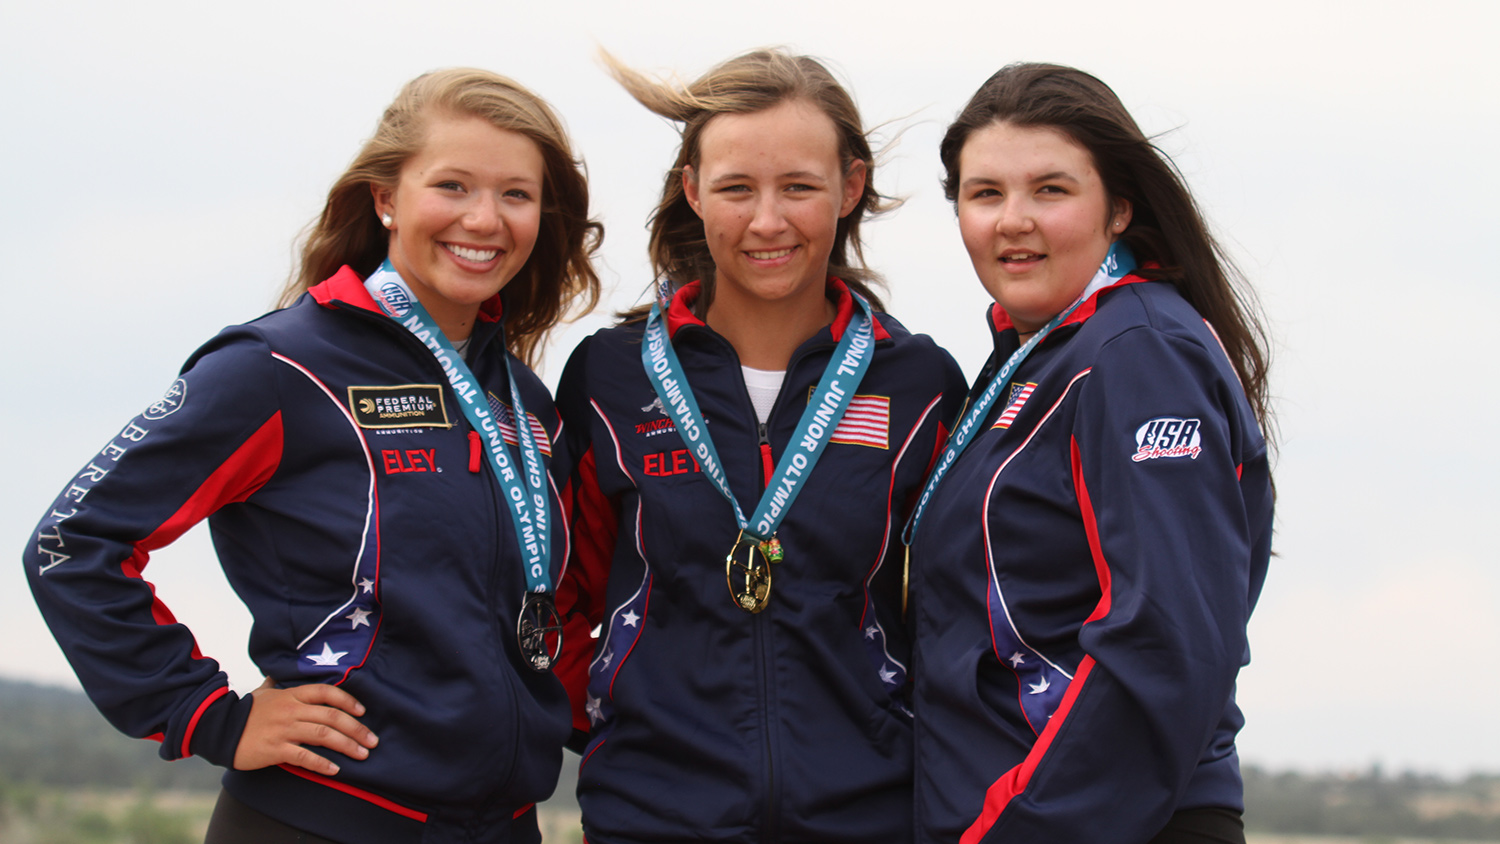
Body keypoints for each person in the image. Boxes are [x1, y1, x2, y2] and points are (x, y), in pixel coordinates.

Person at [24, 68, 601, 844]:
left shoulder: (527, 403)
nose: (484, 219)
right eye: (453, 184)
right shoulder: (279, 367)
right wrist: (207, 716)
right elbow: (71, 543)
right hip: (323, 821)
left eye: (516, 195)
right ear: (386, 198)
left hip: (504, 824)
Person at [552, 49, 966, 843]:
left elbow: (958, 608)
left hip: (872, 817)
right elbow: (564, 590)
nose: (767, 221)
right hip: (651, 820)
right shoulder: (609, 377)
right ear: (693, 191)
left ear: (849, 188)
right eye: (737, 187)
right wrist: (622, 727)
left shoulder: (919, 384)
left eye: (800, 188)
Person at [907, 63, 1274, 844]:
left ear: (1119, 210)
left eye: (1051, 190)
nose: (1013, 220)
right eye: (985, 194)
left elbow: (1163, 638)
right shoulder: (1044, 356)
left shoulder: (1137, 352)